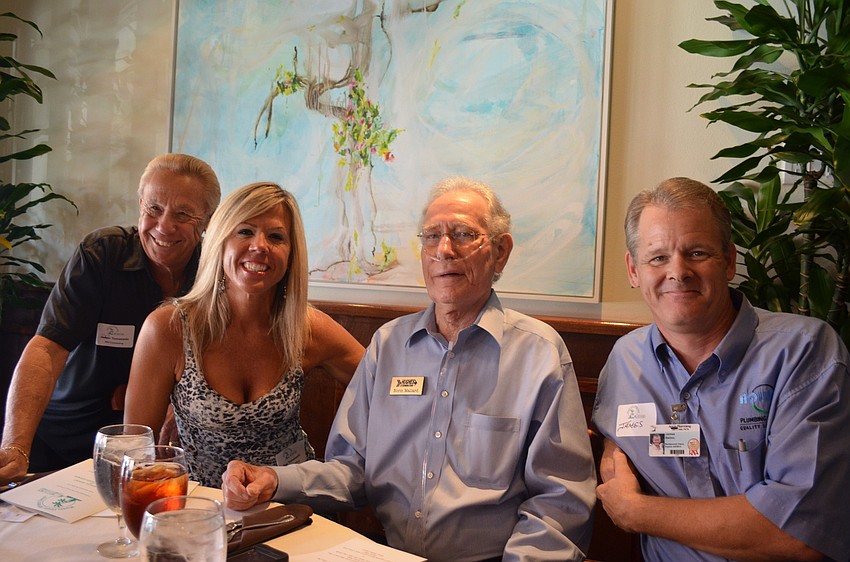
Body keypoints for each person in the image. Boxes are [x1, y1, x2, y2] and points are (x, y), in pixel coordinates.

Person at [221, 177, 597, 562]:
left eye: (464, 234)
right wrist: (273, 479)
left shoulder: (539, 354)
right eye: (431, 236)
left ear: (500, 252)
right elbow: (351, 470)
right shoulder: (389, 346)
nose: (444, 250)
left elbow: (560, 502)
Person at [592, 177, 850, 562]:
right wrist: (614, 454)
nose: (677, 272)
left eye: (696, 253)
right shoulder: (625, 361)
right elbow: (621, 441)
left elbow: (799, 536)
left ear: (729, 261)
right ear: (634, 270)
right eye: (658, 257)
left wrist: (638, 513)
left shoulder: (803, 352)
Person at [124, 182, 364, 488]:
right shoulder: (168, 328)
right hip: (204, 510)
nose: (260, 246)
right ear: (220, 242)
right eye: (245, 231)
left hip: (291, 506)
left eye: (276, 237)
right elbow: (134, 449)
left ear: (291, 254)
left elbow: (385, 389)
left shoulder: (307, 328)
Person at [0, 154, 221, 482]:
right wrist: (16, 445)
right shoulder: (102, 254)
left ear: (208, 220)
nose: (164, 226)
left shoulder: (216, 273)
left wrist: (180, 401)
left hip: (153, 453)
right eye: (154, 209)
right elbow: (46, 350)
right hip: (63, 439)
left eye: (183, 214)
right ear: (139, 204)